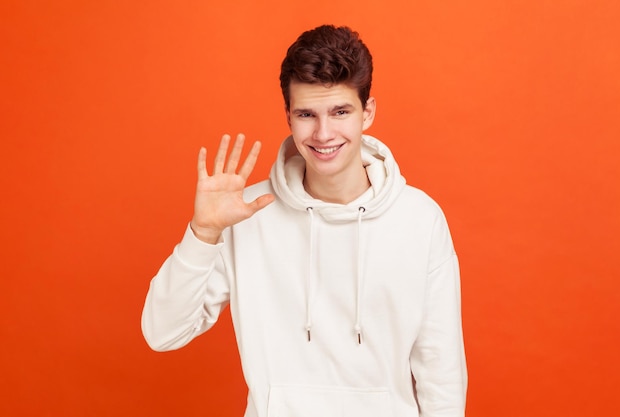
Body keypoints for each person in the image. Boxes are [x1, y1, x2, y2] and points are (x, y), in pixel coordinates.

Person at [142, 24, 467, 417]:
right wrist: (204, 233)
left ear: (368, 113)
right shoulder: (246, 211)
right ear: (289, 117)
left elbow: (441, 371)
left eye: (340, 112)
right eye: (307, 114)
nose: (323, 133)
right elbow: (163, 333)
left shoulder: (419, 219)